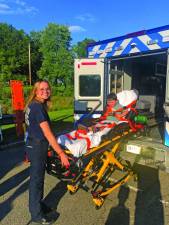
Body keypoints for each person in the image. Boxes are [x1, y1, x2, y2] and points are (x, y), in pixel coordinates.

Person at [25, 80, 70, 225]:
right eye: (41, 89)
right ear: (36, 91)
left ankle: (38, 205)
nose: (45, 91)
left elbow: (30, 129)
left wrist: (27, 150)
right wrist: (61, 153)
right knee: (36, 181)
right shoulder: (37, 107)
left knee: (38, 179)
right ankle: (36, 215)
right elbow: (48, 134)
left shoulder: (33, 105)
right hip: (38, 147)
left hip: (33, 145)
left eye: (47, 89)